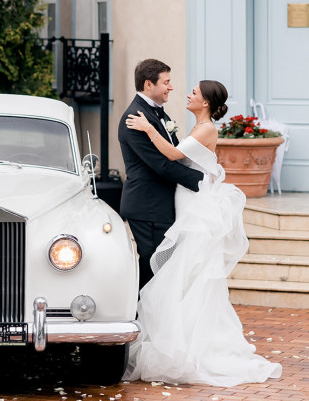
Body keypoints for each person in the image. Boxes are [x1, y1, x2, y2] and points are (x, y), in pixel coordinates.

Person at [122, 79, 282, 387]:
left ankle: (191, 344)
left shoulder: (207, 129)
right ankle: (180, 335)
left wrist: (148, 127)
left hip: (196, 209)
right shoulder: (200, 127)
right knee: (184, 272)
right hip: (186, 202)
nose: (188, 94)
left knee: (191, 270)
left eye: (194, 92)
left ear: (205, 102)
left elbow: (170, 154)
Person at [118, 59, 204, 289]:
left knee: (160, 264)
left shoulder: (156, 114)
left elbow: (174, 153)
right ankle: (138, 315)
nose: (171, 87)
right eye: (166, 82)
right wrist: (202, 181)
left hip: (161, 204)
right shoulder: (133, 119)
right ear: (149, 84)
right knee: (153, 264)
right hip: (147, 205)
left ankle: (147, 316)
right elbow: (161, 165)